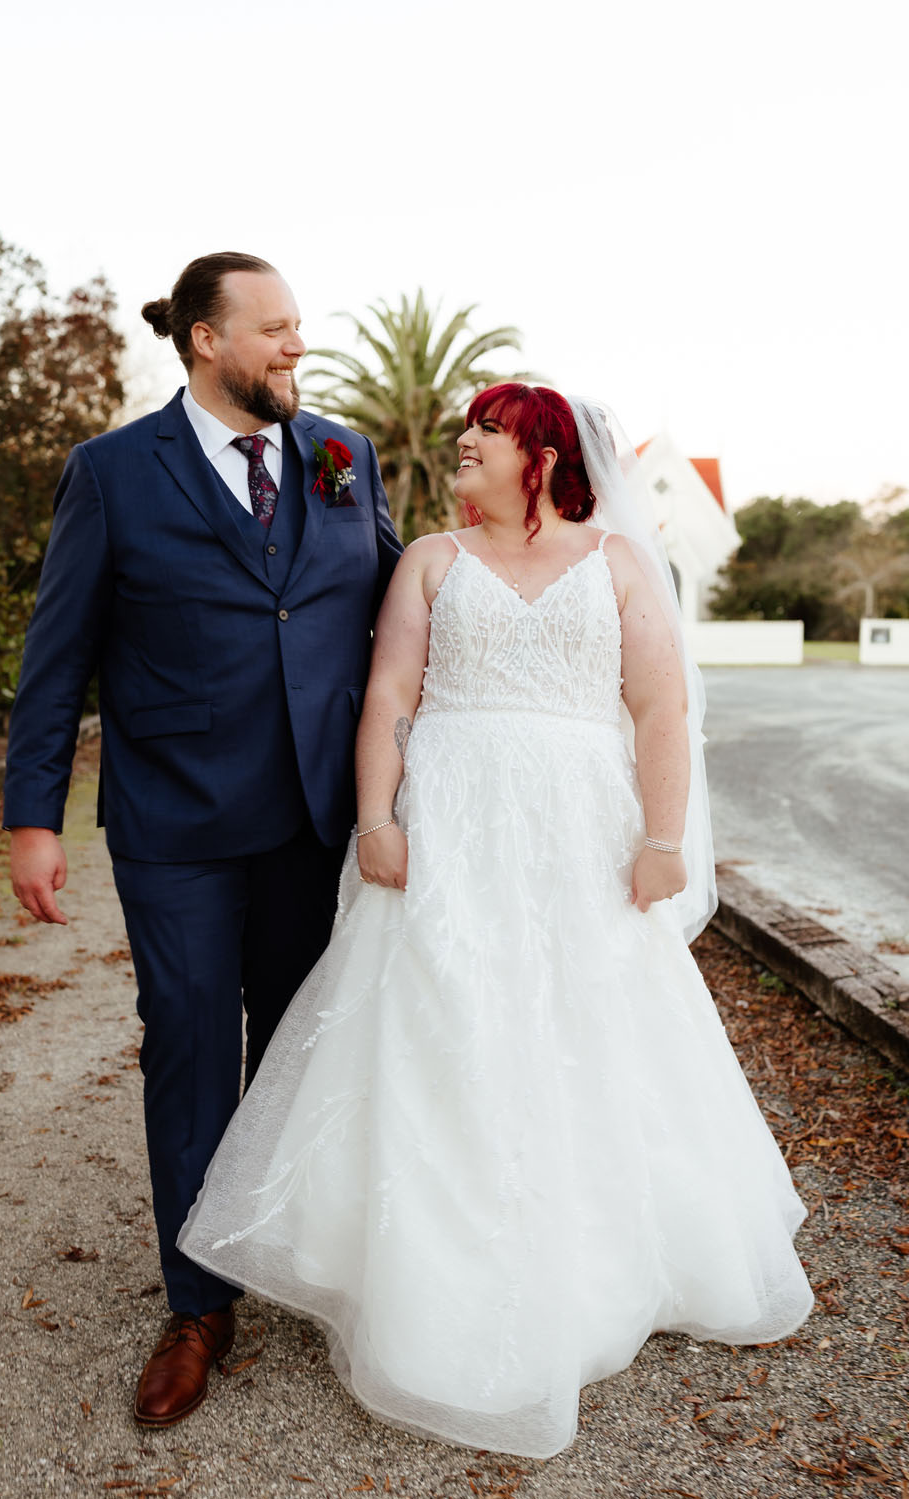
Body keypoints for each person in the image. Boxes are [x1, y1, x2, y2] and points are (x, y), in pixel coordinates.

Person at [178, 384, 814, 1459]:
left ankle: (605, 1257)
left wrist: (663, 837)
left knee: (590, 1025)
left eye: (486, 430)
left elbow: (661, 704)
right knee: (439, 1023)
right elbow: (388, 698)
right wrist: (375, 817)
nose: (462, 442)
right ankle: (432, 1272)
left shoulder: (615, 561)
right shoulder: (428, 557)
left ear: (542, 452)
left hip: (581, 831)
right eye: (464, 430)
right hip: (451, 823)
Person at [2, 252, 402, 1427]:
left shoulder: (342, 455)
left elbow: (396, 603)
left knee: (295, 1046)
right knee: (187, 1043)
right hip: (175, 820)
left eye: (298, 330)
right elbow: (56, 654)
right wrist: (33, 817)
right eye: (273, 330)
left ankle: (290, 1256)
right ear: (204, 341)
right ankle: (198, 1304)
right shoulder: (114, 472)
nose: (295, 349)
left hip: (313, 816)